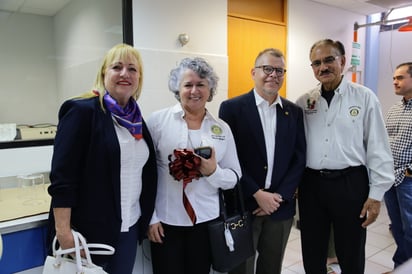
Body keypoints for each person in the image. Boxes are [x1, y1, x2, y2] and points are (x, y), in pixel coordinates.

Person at [47, 43, 158, 273]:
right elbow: (63, 179)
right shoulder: (82, 111)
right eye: (117, 67)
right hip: (87, 232)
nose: (125, 74)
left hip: (129, 228)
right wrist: (64, 233)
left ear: (139, 77)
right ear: (103, 74)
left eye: (132, 69)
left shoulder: (136, 120)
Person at [295, 38, 394, 274]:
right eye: (316, 63)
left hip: (350, 183)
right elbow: (296, 147)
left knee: (351, 249)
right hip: (312, 184)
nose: (323, 67)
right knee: (312, 248)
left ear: (342, 61)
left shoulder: (364, 97)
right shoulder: (304, 102)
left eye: (329, 60)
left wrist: (377, 194)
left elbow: (378, 146)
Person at [146, 57, 242, 274]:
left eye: (201, 84)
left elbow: (235, 176)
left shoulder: (222, 129)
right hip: (166, 222)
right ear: (177, 88)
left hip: (206, 222)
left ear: (210, 89)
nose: (194, 90)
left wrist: (213, 172)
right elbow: (146, 176)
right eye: (188, 85)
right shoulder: (157, 122)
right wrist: (151, 218)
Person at [219, 48, 306, 274]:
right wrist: (257, 194)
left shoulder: (294, 112)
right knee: (241, 268)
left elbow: (299, 158)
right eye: (267, 69)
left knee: (272, 267)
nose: (273, 75)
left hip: (280, 207)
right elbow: (228, 158)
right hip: (244, 205)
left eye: (279, 70)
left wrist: (278, 198)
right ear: (253, 72)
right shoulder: (232, 109)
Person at [384, 62, 412, 271]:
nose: (395, 81)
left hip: (408, 179)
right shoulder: (394, 109)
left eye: (400, 77)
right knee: (398, 227)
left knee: (411, 229)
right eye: (394, 77)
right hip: (390, 178)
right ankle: (401, 267)